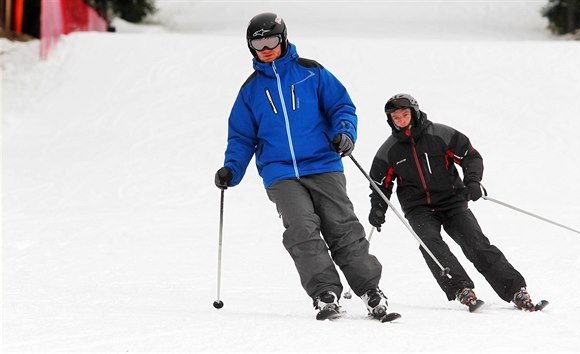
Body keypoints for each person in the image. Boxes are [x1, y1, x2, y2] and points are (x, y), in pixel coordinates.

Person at [214, 12, 389, 319]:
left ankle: (368, 288)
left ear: (282, 38)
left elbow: (341, 106)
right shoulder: (251, 90)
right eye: (258, 42)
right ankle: (325, 291)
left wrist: (345, 133)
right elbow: (242, 136)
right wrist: (232, 168)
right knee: (301, 229)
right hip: (280, 171)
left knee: (341, 225)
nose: (265, 47)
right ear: (250, 47)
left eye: (271, 39)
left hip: (323, 162)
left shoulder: (312, 73)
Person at [367, 93, 540, 311]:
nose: (401, 121)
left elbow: (470, 156)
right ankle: (460, 288)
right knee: (430, 244)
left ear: (415, 113)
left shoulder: (440, 134)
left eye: (404, 115)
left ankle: (515, 290)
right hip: (418, 209)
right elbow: (379, 184)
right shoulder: (389, 150)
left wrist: (473, 181)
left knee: (476, 243)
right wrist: (377, 208)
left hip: (452, 202)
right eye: (396, 118)